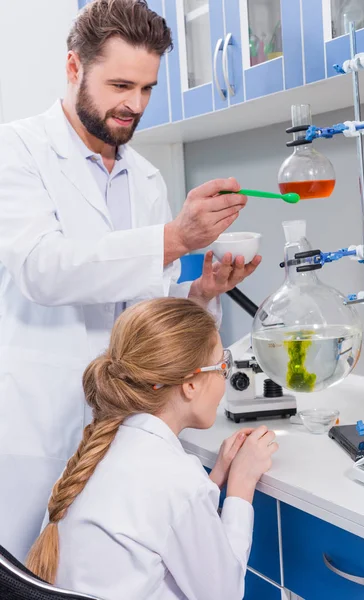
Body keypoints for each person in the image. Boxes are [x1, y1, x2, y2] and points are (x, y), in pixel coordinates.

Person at [0, 0, 262, 561]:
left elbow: (143, 313)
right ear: (74, 68)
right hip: (37, 425)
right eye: (121, 84)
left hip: (122, 433)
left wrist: (200, 295)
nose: (134, 106)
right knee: (28, 576)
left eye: (147, 88)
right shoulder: (16, 150)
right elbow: (42, 269)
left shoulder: (145, 180)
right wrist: (174, 239)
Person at [26, 298, 278, 600]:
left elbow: (159, 523)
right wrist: (241, 488)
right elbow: (224, 594)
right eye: (222, 366)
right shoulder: (175, 479)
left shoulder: (98, 451)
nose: (225, 379)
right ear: (190, 384)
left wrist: (215, 480)